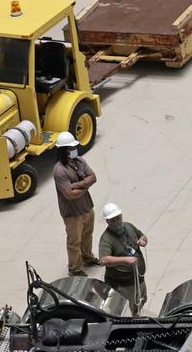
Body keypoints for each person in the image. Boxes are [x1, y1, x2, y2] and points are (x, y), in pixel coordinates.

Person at [53, 131, 98, 277]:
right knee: (74, 241)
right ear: (64, 150)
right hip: (72, 213)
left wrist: (79, 185)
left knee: (87, 235)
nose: (74, 150)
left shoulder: (79, 161)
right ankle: (75, 268)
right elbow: (69, 195)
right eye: (71, 148)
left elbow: (93, 177)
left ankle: (87, 257)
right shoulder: (60, 171)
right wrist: (86, 185)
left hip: (86, 207)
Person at [97, 203, 147, 316]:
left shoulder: (129, 226)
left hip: (138, 278)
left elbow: (142, 236)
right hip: (123, 285)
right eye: (112, 220)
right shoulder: (106, 239)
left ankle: (136, 315)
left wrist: (143, 240)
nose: (116, 222)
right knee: (121, 311)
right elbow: (103, 260)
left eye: (118, 218)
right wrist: (125, 260)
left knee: (140, 301)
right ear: (107, 222)